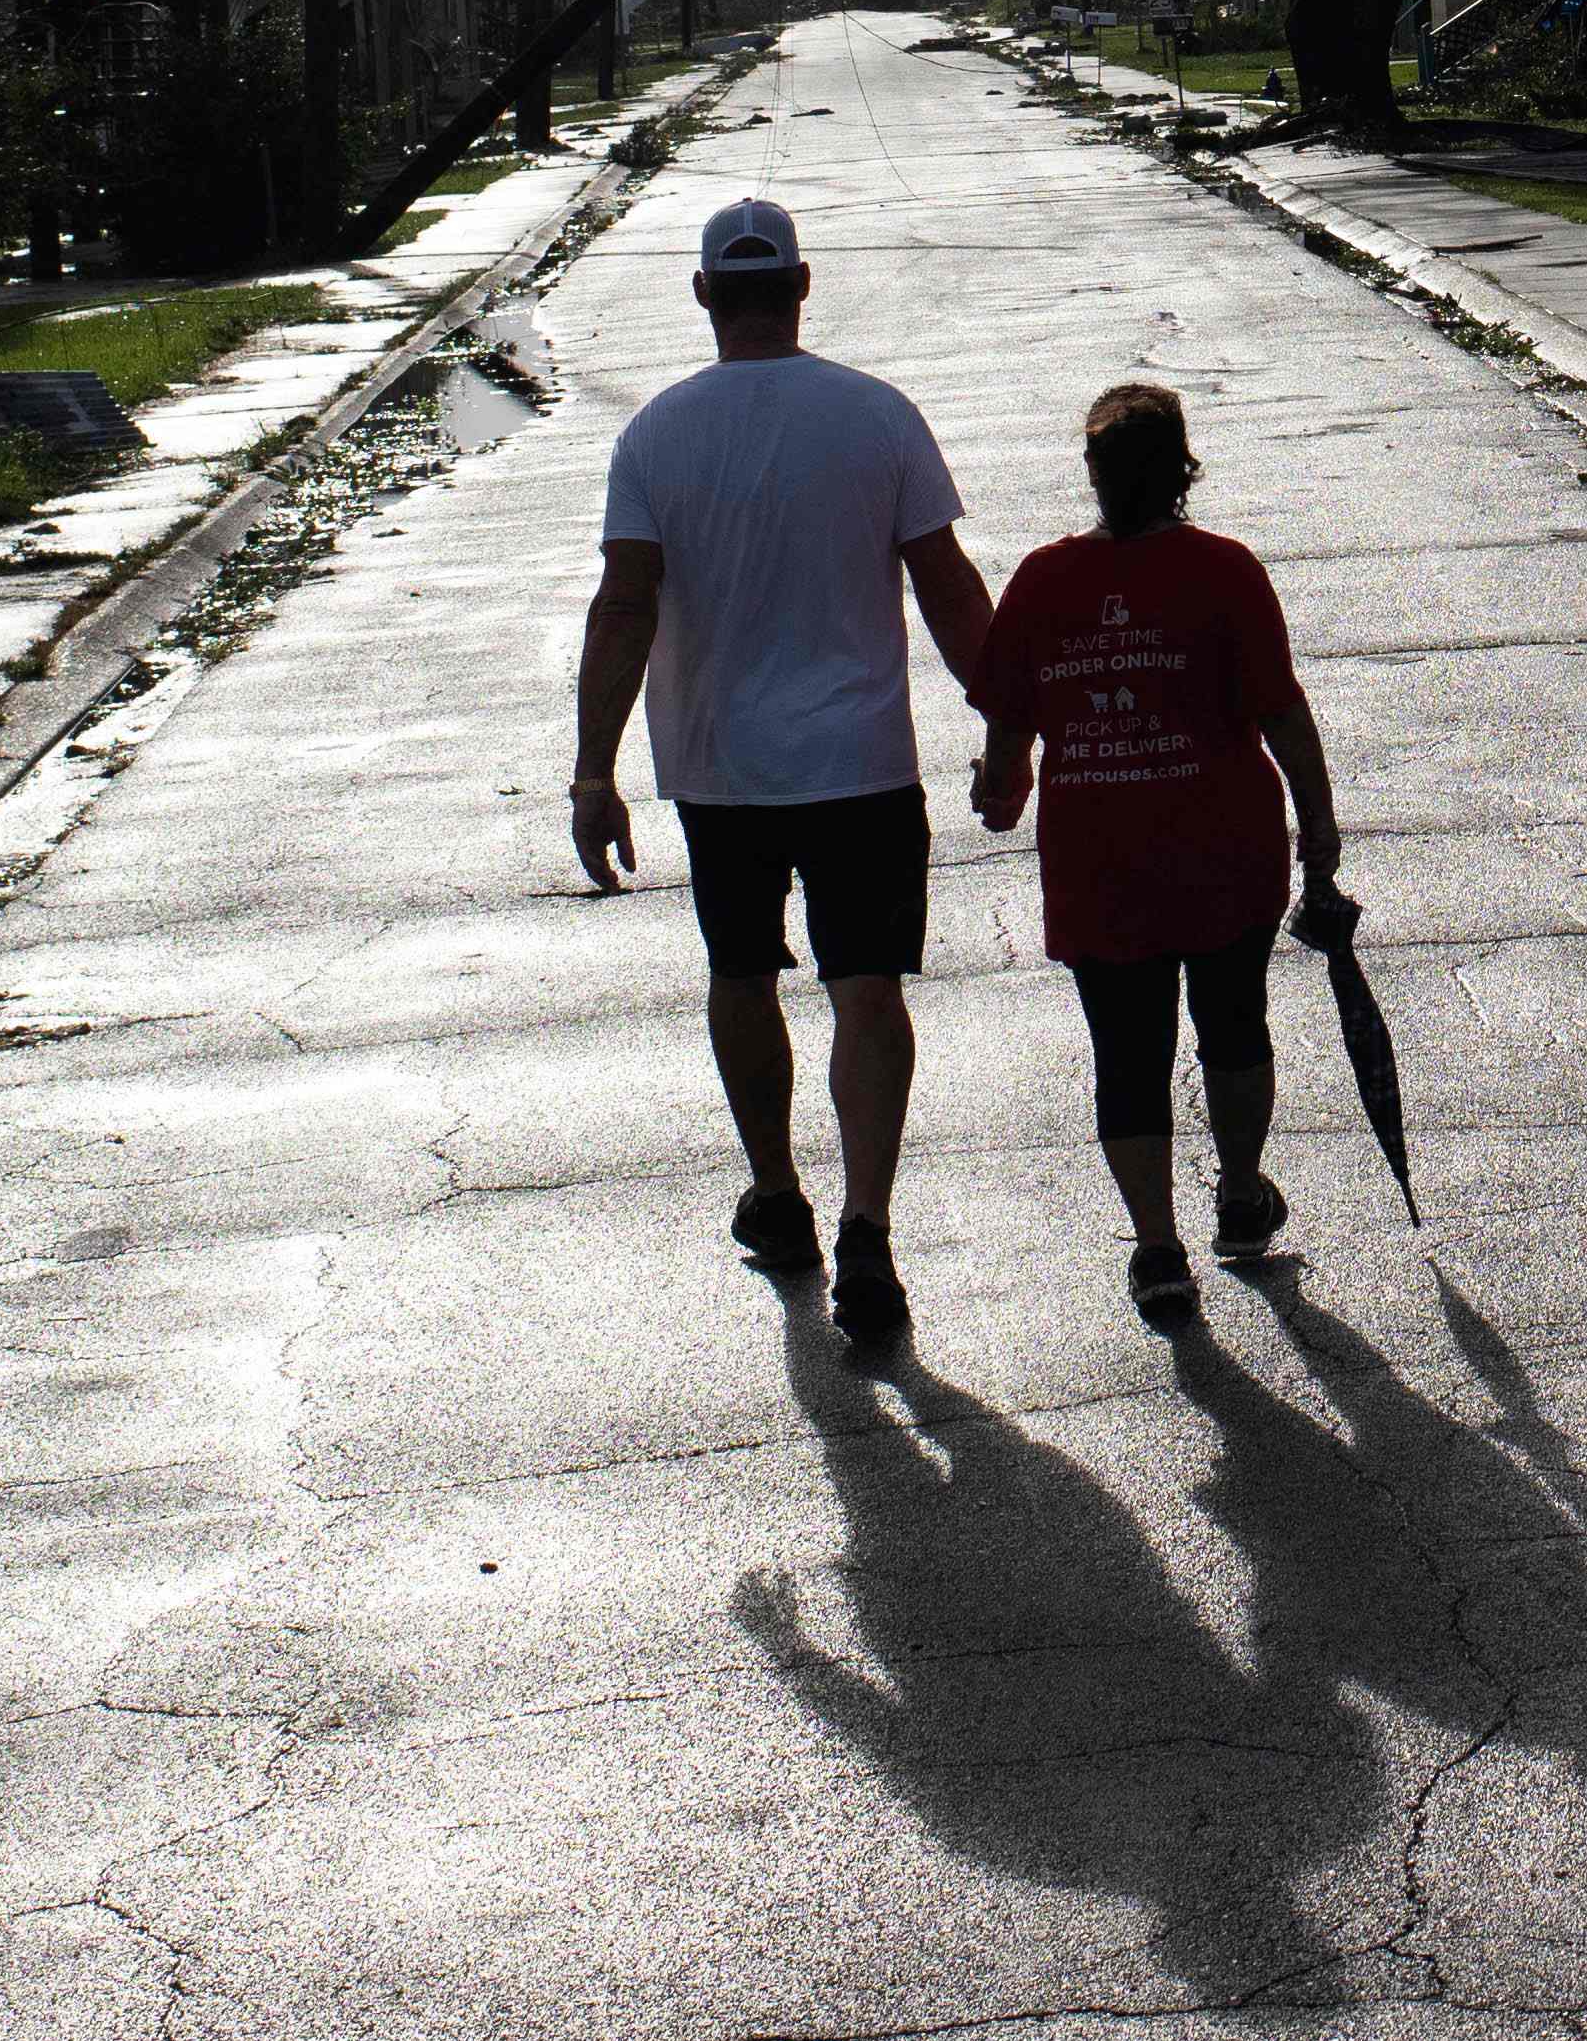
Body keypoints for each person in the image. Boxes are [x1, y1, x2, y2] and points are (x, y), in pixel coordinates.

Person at [575, 193, 992, 1347]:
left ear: (705, 293)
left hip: (722, 772)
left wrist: (591, 771)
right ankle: (868, 1220)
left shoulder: (655, 434)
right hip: (860, 760)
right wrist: (1008, 718)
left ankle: (779, 1192)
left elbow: (623, 605)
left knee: (743, 974)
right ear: (801, 287)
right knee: (867, 987)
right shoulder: (875, 415)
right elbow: (947, 585)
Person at [968, 379, 1341, 1330]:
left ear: (1090, 473)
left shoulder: (1043, 582)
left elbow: (1010, 738)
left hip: (1102, 861)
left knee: (1127, 1055)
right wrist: (1319, 824)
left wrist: (1000, 792)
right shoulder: (1224, 570)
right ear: (1183, 468)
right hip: (1225, 848)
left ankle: (1156, 1247)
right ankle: (1241, 1193)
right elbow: (1279, 711)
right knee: (1232, 1024)